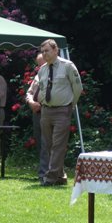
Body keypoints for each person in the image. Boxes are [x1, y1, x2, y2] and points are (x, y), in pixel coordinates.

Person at [36, 39, 83, 186]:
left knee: (58, 145)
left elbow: (78, 88)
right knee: (48, 145)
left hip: (62, 110)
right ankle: (60, 175)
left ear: (56, 50)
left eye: (47, 51)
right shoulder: (43, 69)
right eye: (42, 51)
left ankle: (50, 178)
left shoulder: (67, 66)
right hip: (46, 111)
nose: (44, 54)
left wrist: (71, 105)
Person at [25, 52, 48, 180]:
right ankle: (43, 171)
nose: (39, 68)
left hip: (47, 111)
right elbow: (29, 92)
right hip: (36, 113)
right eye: (38, 65)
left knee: (47, 143)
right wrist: (31, 102)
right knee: (40, 142)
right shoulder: (38, 76)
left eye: (41, 64)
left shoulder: (52, 75)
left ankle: (46, 173)